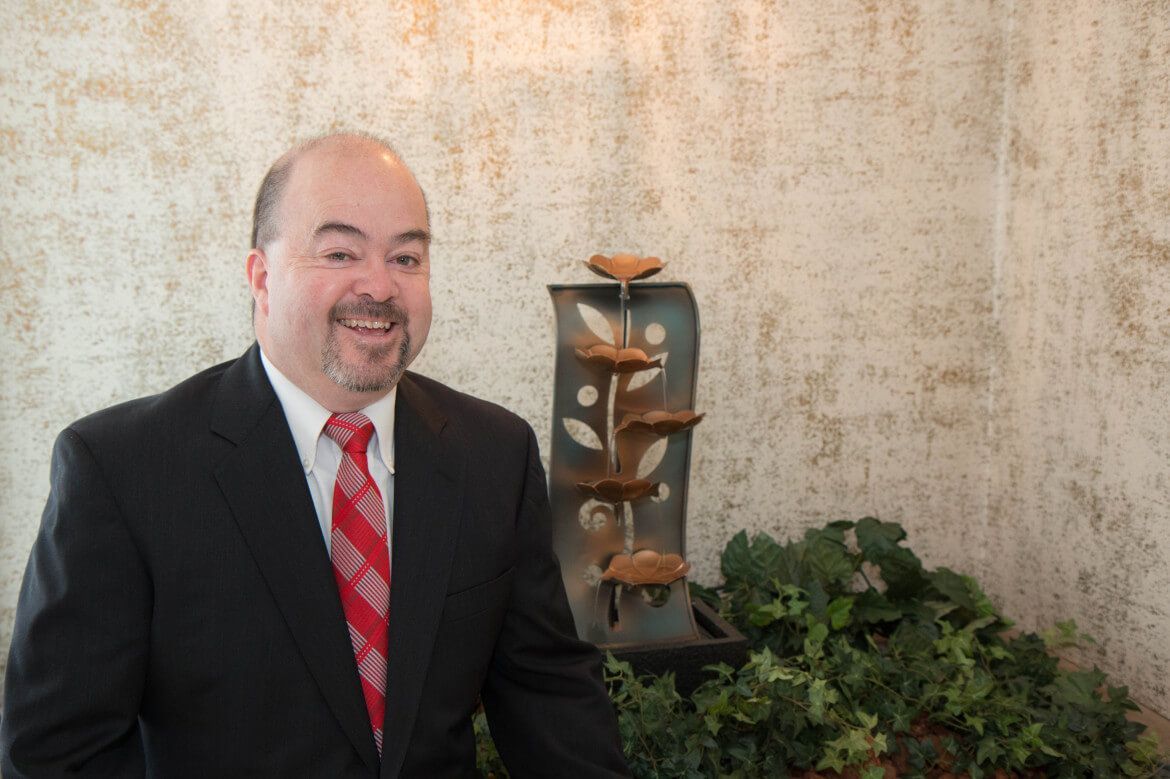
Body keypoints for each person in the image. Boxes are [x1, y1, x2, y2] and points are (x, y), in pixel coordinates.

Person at [1, 132, 631, 778]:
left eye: (407, 257)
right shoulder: (121, 473)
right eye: (339, 251)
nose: (380, 287)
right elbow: (57, 756)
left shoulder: (495, 455)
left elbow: (550, 697)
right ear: (261, 277)